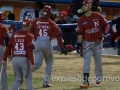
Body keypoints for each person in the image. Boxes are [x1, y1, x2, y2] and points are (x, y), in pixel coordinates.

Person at [30, 5, 68, 88]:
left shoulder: (35, 21)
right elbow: (58, 36)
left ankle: (25, 72)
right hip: (47, 43)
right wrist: (62, 48)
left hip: (37, 43)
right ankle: (45, 83)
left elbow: (29, 33)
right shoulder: (52, 22)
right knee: (49, 63)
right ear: (50, 13)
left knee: (38, 64)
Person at [76, 0, 109, 89]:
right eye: (82, 5)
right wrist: (78, 45)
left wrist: (105, 33)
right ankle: (85, 82)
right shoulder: (81, 20)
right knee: (86, 62)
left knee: (98, 62)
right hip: (87, 43)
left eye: (85, 5)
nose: (83, 7)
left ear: (90, 6)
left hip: (98, 43)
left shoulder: (97, 15)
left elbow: (106, 25)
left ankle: (98, 80)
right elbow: (80, 33)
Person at [1, 19, 35, 90]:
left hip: (15, 59)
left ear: (22, 26)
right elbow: (29, 50)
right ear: (28, 26)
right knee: (28, 80)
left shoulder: (14, 34)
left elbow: (8, 47)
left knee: (18, 79)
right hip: (24, 59)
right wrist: (32, 63)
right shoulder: (29, 36)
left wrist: (4, 59)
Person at [0, 12, 9, 90]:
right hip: (0, 48)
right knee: (3, 71)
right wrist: (9, 52)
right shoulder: (3, 27)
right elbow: (6, 40)